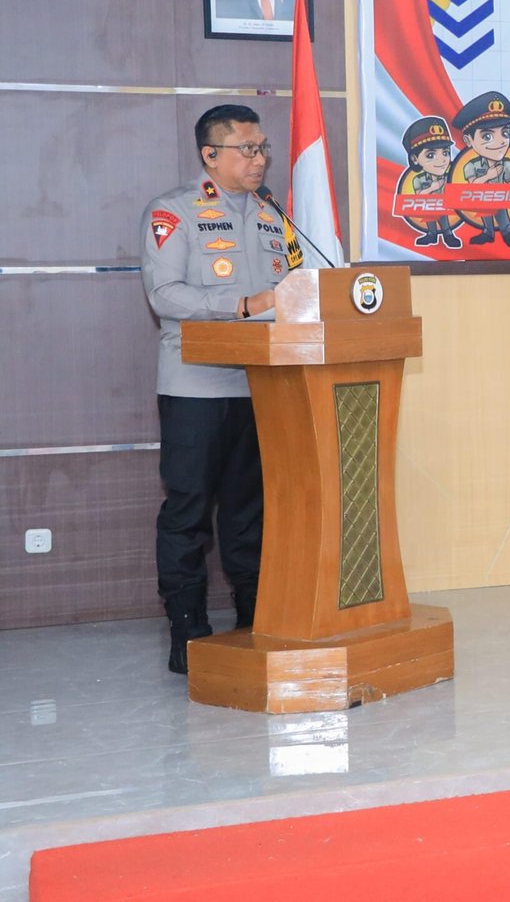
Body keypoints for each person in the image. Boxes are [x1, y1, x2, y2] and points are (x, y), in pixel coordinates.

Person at [140, 105, 291, 674]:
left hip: (260, 385)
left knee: (250, 514)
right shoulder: (174, 211)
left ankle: (254, 622)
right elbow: (165, 295)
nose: (259, 159)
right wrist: (242, 305)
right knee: (189, 512)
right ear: (210, 155)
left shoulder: (275, 214)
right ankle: (188, 629)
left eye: (262, 148)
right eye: (247, 149)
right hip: (196, 388)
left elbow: (293, 291)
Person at [450, 91, 510, 247]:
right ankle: (488, 232)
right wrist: (488, 176)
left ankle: (508, 233)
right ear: (468, 141)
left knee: (501, 211)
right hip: (482, 200)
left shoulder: (507, 164)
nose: (501, 142)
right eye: (487, 137)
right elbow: (472, 187)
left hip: (501, 199)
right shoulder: (471, 165)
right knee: (484, 208)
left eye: (505, 133)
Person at [395, 116, 463, 249]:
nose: (442, 160)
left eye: (445, 153)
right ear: (415, 159)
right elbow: (418, 196)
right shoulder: (419, 179)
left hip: (445, 208)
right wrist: (432, 188)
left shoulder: (451, 175)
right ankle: (431, 234)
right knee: (429, 215)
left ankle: (448, 234)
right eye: (431, 155)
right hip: (428, 207)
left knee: (443, 215)